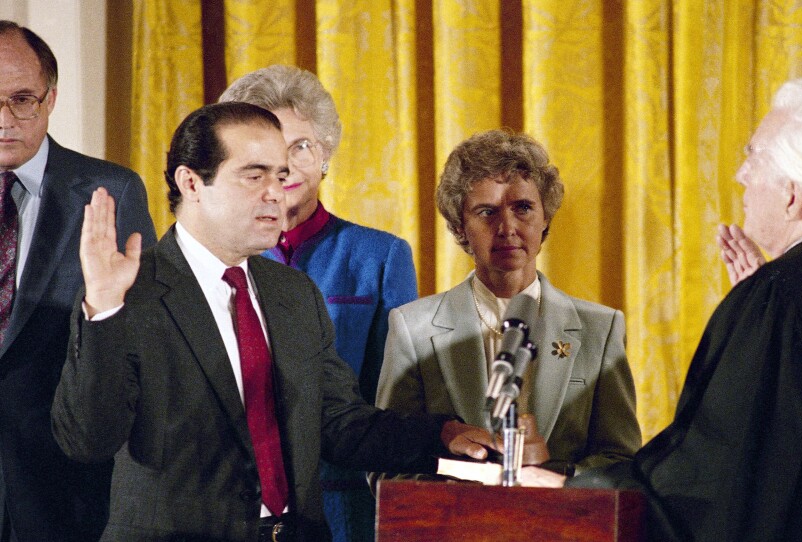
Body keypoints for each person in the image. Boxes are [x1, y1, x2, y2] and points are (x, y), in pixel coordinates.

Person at [50, 102, 493, 542]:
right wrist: (104, 307)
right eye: (254, 175)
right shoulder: (128, 290)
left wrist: (441, 434)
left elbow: (338, 422)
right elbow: (87, 440)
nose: (275, 193)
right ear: (191, 183)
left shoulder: (293, 293)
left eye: (280, 176)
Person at [531, 79, 802, 541]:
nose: (741, 175)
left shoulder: (781, 301)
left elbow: (712, 477)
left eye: (753, 156)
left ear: (793, 195)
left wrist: (582, 489)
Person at [218, 65, 418, 542]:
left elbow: (392, 397)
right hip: (228, 504)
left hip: (341, 503)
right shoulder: (213, 256)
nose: (284, 166)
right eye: (266, 151)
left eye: (301, 147)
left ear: (326, 155)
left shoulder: (382, 256)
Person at [374, 129, 641, 480]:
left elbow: (622, 464)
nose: (507, 227)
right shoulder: (413, 328)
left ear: (545, 217)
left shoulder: (601, 328)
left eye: (523, 208)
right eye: (487, 212)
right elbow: (386, 469)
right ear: (459, 226)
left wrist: (552, 478)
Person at [0, 21, 155, 541]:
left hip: (66, 485)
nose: (4, 119)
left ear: (50, 99)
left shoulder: (109, 191)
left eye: (21, 99)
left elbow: (143, 345)